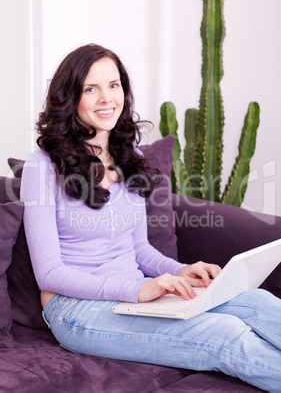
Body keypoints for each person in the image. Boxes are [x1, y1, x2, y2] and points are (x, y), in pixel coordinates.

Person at [21, 44, 281, 392]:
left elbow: (139, 249)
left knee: (259, 303)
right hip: (77, 311)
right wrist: (138, 290)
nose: (106, 98)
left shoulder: (130, 156)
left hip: (135, 294)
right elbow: (49, 273)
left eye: (113, 85)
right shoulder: (42, 165)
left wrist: (178, 272)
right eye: (90, 89)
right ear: (71, 97)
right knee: (225, 335)